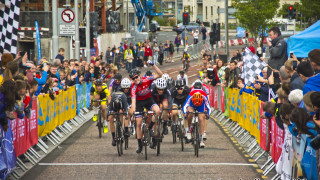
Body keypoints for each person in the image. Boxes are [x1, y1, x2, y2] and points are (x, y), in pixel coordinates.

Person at [129, 61, 163, 153]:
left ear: (139, 75)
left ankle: (150, 127)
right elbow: (133, 102)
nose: (135, 79)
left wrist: (153, 65)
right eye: (133, 79)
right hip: (139, 103)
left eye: (136, 77)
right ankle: (139, 145)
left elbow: (160, 74)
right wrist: (133, 112)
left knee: (157, 111)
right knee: (139, 123)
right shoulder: (133, 87)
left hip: (149, 100)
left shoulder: (147, 79)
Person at [183, 82, 211, 148]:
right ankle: (189, 130)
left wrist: (208, 114)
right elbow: (185, 105)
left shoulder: (204, 94)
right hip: (192, 104)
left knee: (201, 119)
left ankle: (201, 139)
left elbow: (208, 106)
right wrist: (185, 113)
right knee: (189, 114)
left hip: (201, 105)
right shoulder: (191, 94)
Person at [150, 78, 172, 148]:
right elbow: (150, 101)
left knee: (165, 106)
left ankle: (165, 125)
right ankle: (153, 140)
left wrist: (170, 110)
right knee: (155, 116)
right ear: (156, 87)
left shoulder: (167, 91)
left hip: (163, 99)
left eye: (162, 89)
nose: (160, 91)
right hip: (154, 100)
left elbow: (170, 101)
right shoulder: (152, 90)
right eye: (159, 89)